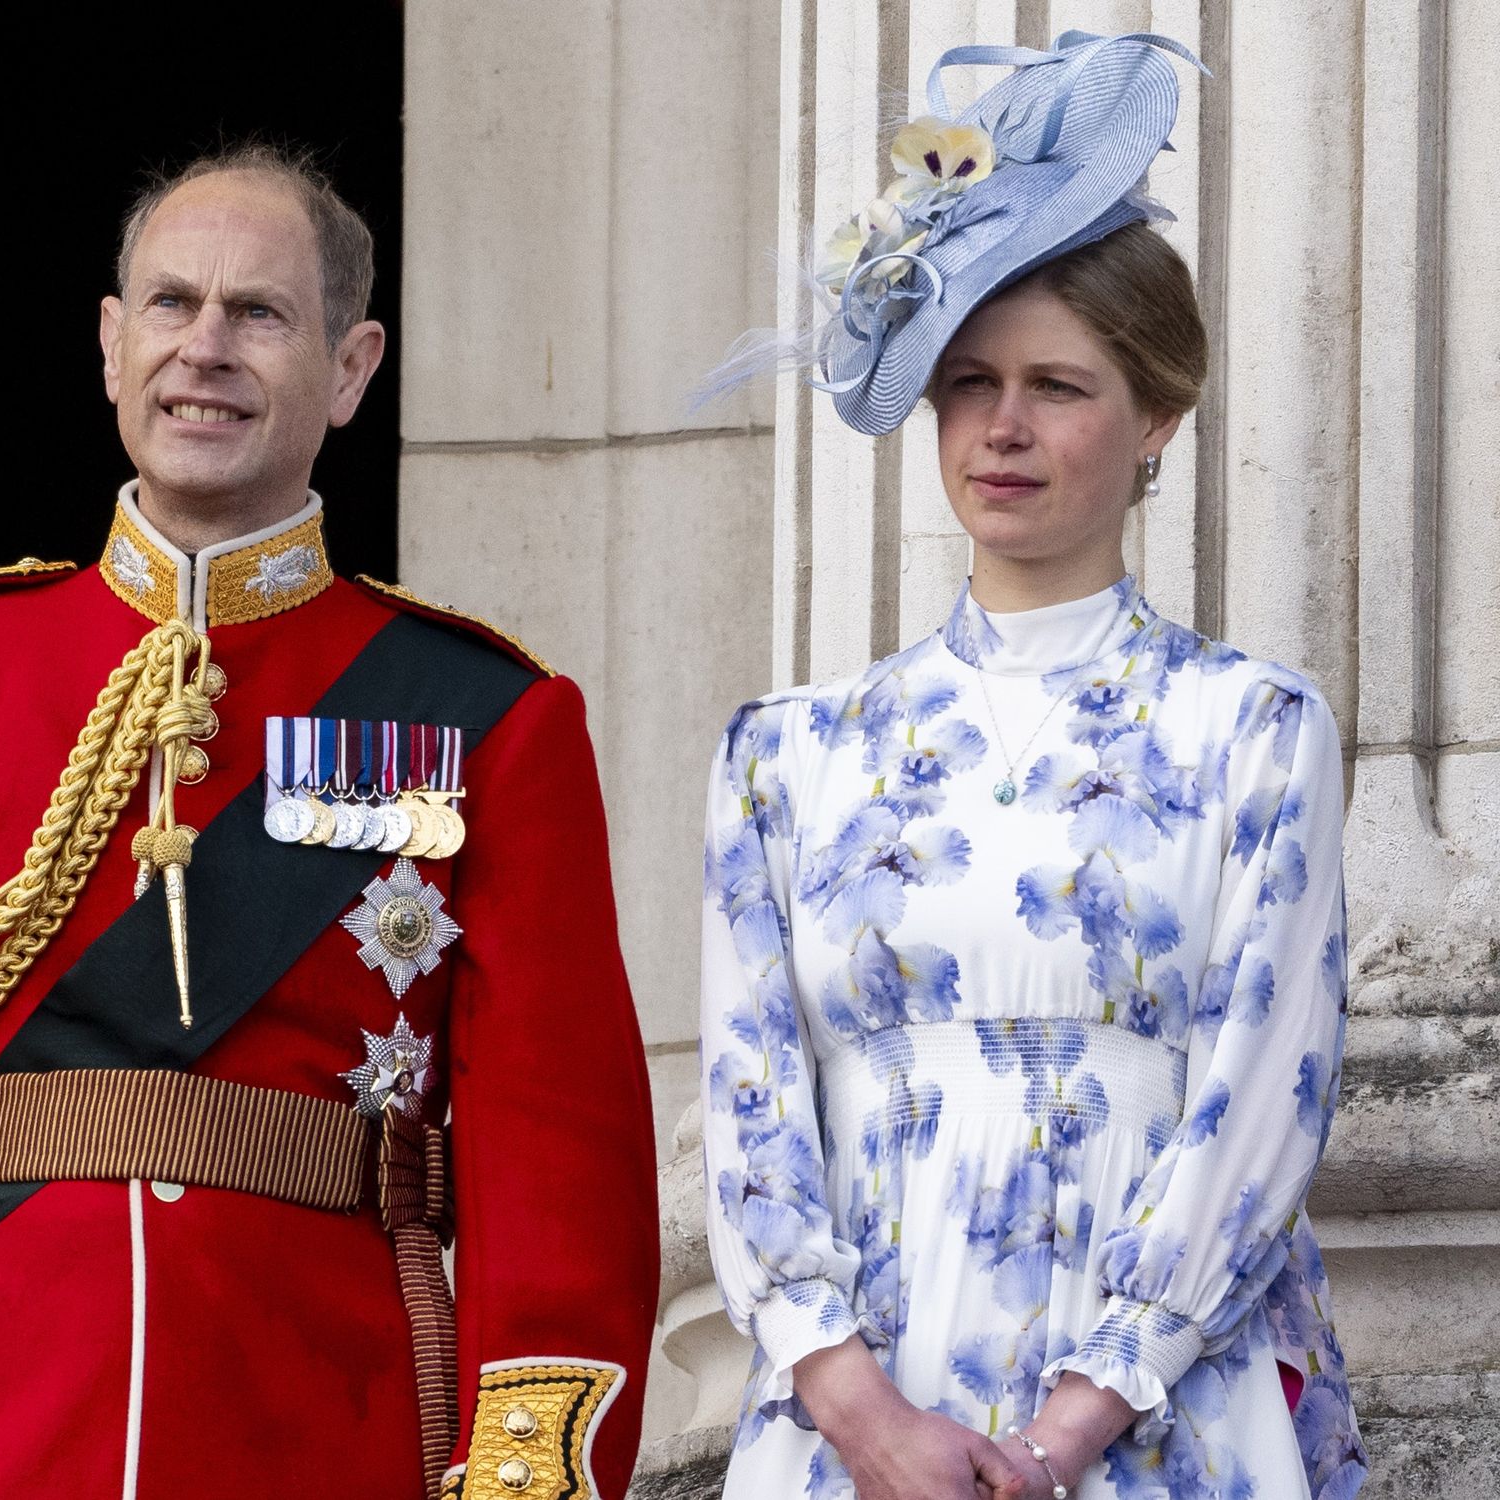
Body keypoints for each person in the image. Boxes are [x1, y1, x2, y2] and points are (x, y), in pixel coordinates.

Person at [0, 144, 658, 1500]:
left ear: (353, 367)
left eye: (259, 314)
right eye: (170, 305)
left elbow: (560, 1168)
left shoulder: (483, 715)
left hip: (328, 1420)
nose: (205, 348)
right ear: (108, 343)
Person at [699, 33, 1367, 1500]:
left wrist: (1076, 1425)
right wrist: (865, 1420)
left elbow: (1267, 1092)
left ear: (1157, 424)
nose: (1002, 427)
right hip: (849, 1432)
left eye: (1058, 385)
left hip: (1156, 1414)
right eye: (969, 382)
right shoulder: (791, 753)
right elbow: (751, 1108)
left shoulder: (1251, 729)